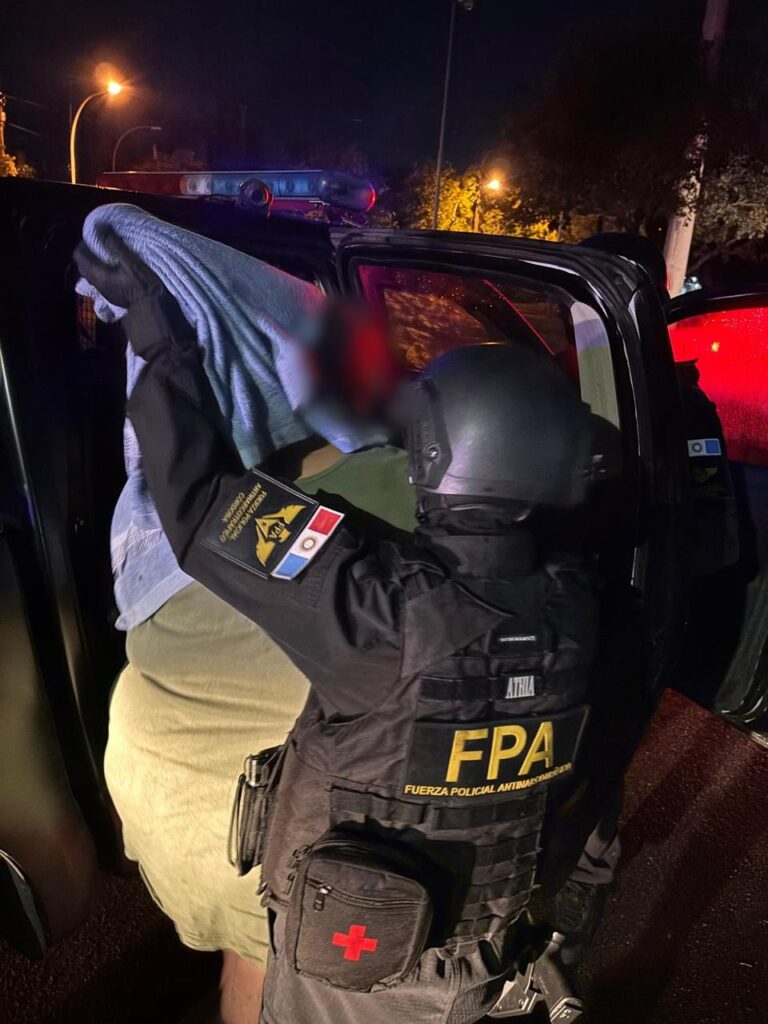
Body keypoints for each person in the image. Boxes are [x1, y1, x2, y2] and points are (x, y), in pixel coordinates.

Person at [75, 239, 601, 1023]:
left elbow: (195, 506)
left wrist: (161, 341)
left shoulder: (381, 610)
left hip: (343, 944)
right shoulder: (582, 611)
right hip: (474, 946)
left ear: (430, 451)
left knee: (264, 962)